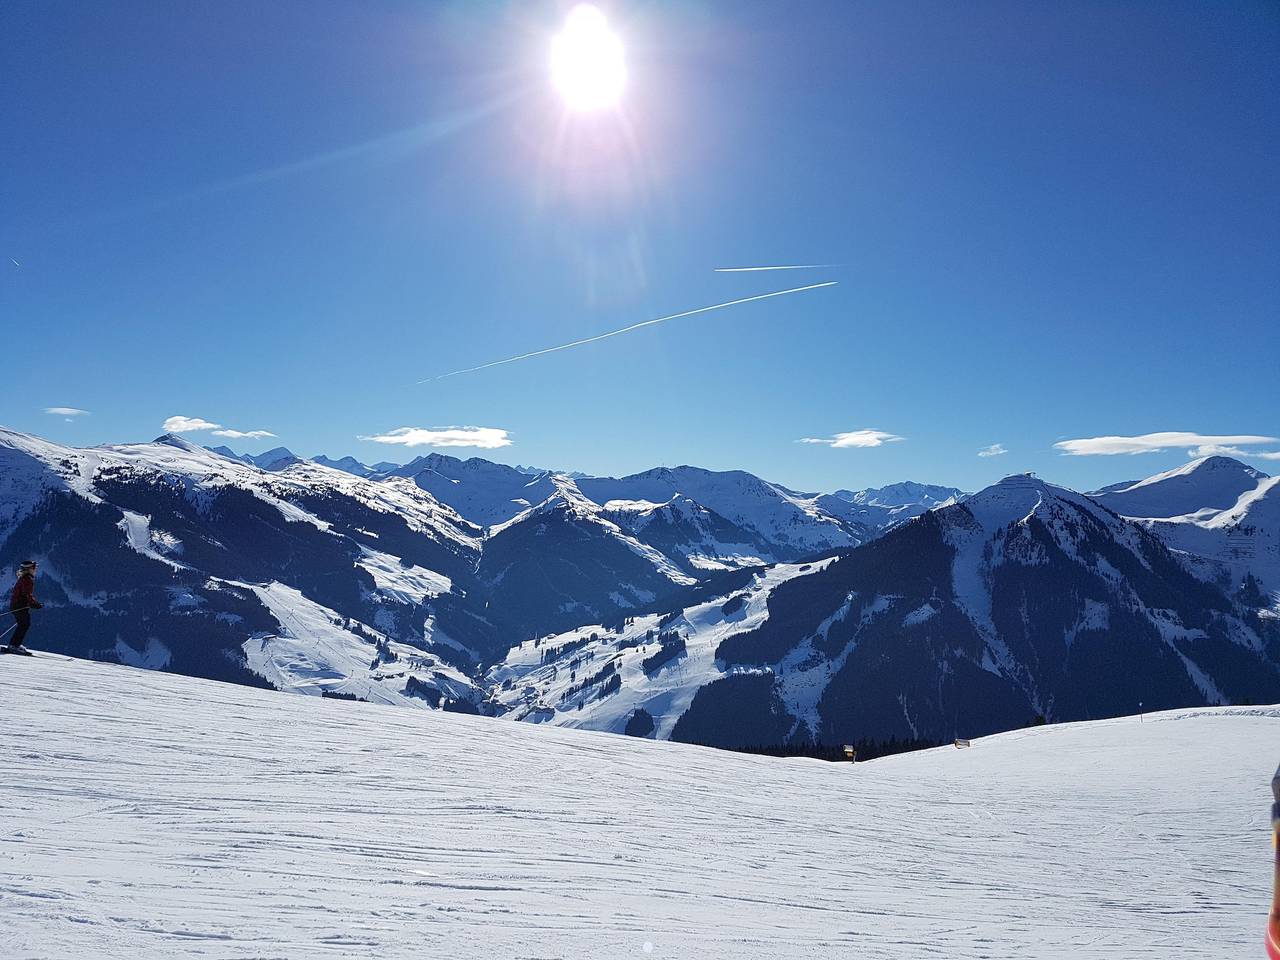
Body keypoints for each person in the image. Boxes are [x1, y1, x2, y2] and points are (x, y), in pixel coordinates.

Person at [6, 560, 43, 653]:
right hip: (20, 606)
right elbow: (27, 594)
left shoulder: (23, 578)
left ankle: (14, 644)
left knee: (22, 624)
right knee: (24, 624)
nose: (35, 569)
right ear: (29, 569)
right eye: (34, 568)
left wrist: (32, 603)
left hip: (16, 605)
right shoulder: (27, 579)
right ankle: (14, 645)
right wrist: (35, 604)